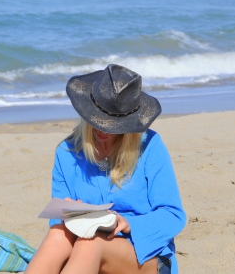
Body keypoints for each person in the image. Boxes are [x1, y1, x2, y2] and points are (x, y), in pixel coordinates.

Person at [25, 64, 186, 274]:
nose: (101, 128)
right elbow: (59, 221)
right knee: (58, 233)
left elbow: (173, 215)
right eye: (97, 119)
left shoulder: (150, 146)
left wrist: (128, 223)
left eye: (112, 124)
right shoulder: (66, 152)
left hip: (142, 254)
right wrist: (72, 212)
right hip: (85, 249)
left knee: (90, 244)